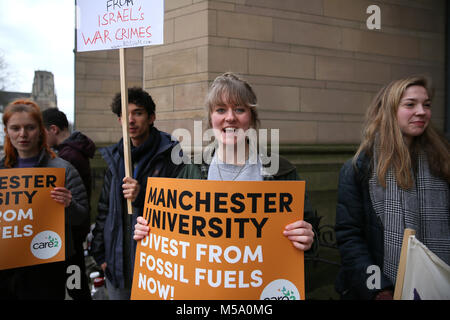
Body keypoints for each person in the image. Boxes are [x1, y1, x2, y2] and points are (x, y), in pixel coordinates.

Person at [134, 72, 315, 254]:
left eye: (239, 109)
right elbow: (173, 232)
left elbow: (310, 233)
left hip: (262, 279)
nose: (230, 117)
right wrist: (151, 232)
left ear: (251, 117)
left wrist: (308, 237)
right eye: (221, 110)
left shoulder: (282, 171)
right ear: (211, 118)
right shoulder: (191, 169)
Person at [334, 76, 450, 300]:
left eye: (426, 105)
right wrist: (379, 289)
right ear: (389, 110)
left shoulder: (443, 162)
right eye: (410, 104)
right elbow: (350, 237)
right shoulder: (360, 167)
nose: (421, 111)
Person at [90, 87, 184, 300]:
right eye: (125, 114)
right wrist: (100, 255)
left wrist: (143, 196)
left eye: (138, 113)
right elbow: (104, 209)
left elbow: (180, 211)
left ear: (151, 118)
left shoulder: (172, 156)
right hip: (117, 270)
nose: (130, 120)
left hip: (156, 269)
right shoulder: (115, 157)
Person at [0, 99, 89, 299]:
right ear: (7, 131)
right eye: (15, 128)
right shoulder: (2, 171)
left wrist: (69, 205)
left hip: (48, 270)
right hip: (7, 269)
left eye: (29, 127)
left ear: (40, 130)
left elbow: (81, 218)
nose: (22, 134)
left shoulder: (63, 169)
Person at [42, 107, 96, 300]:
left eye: (41, 131)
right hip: (73, 231)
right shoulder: (72, 151)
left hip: (70, 234)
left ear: (53, 129)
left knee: (75, 287)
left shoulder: (67, 158)